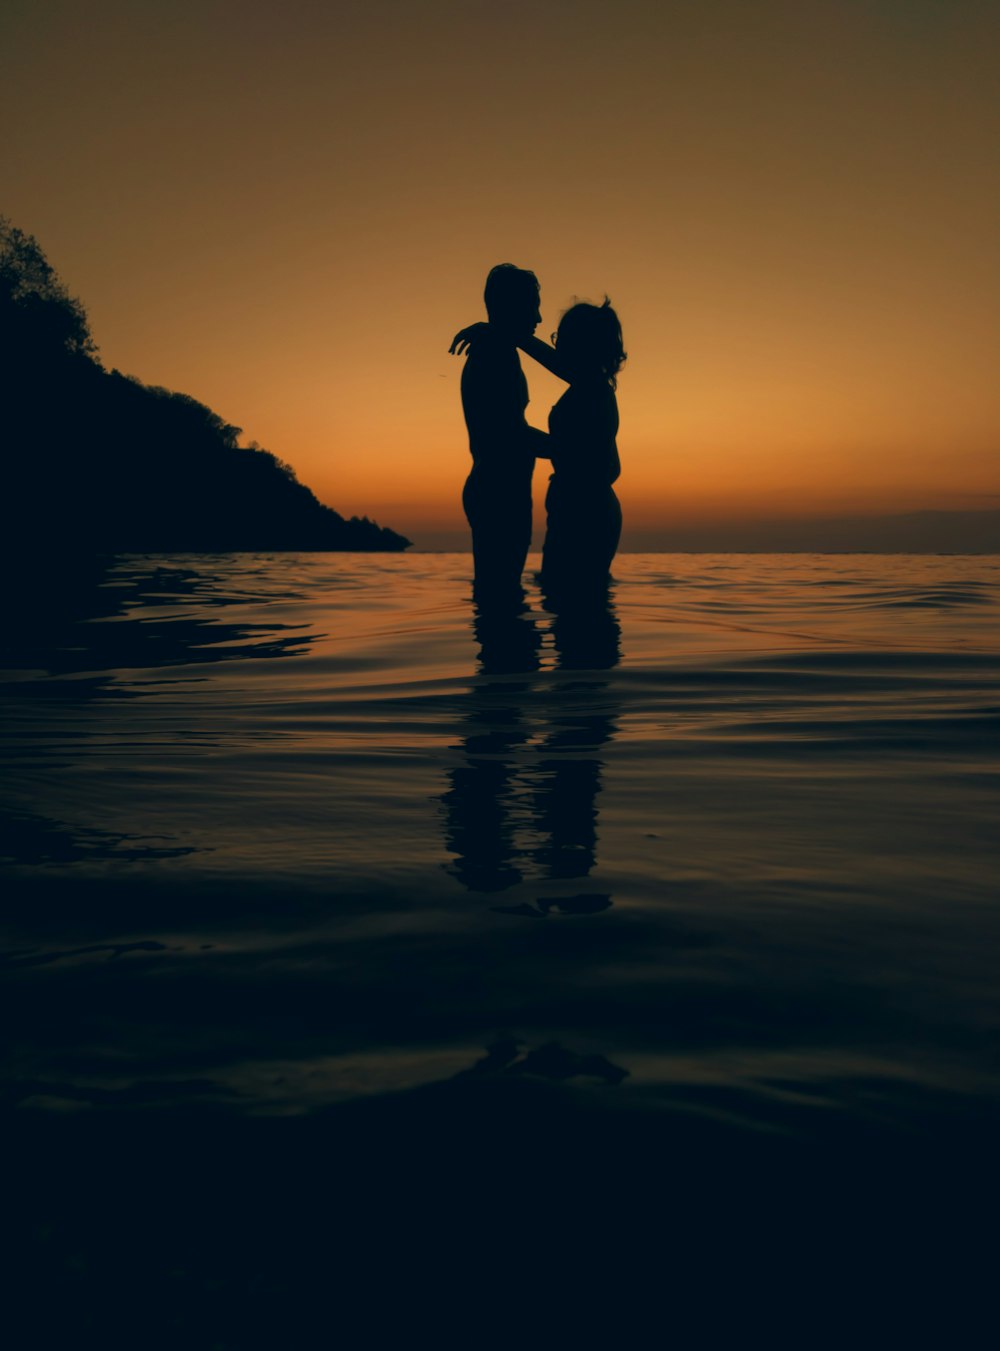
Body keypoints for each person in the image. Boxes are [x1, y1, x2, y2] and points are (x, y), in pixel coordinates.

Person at [452, 297, 625, 600]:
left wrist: (511, 434)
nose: (555, 344)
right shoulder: (590, 384)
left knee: (573, 606)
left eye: (562, 338)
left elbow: (572, 451)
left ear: (581, 345)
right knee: (573, 607)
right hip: (579, 508)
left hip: (584, 513)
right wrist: (504, 333)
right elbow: (557, 364)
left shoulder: (592, 389)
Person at [456, 264, 550, 602]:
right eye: (533, 306)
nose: (539, 318)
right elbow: (511, 433)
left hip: (498, 489)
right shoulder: (495, 355)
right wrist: (569, 448)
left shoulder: (497, 350)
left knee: (498, 597)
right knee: (501, 598)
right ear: (511, 306)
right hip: (499, 492)